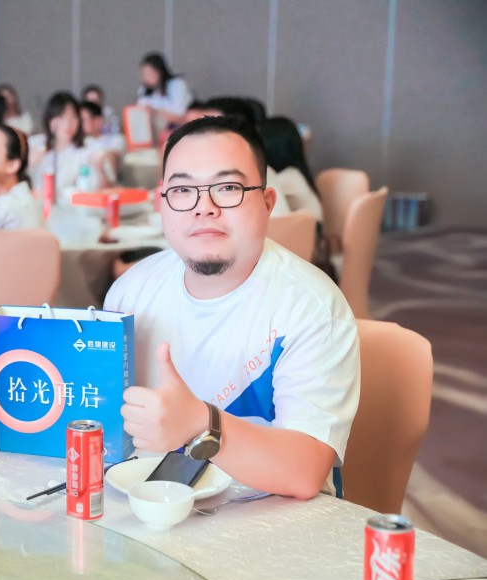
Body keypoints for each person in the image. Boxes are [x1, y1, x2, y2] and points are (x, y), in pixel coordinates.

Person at [103, 116, 359, 500]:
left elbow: (305, 472)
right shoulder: (130, 294)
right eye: (183, 190)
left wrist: (200, 422)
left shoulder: (311, 307)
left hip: (274, 517)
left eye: (227, 188)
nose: (203, 207)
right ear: (162, 203)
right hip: (153, 507)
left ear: (267, 203)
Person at [31, 92, 114, 196]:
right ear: (50, 119)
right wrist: (29, 163)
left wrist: (100, 168)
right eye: (61, 117)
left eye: (73, 117)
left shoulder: (88, 148)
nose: (67, 124)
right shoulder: (35, 144)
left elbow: (107, 186)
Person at [260, 116, 323, 221]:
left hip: (308, 230)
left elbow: (275, 219)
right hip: (310, 228)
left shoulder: (286, 178)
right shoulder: (295, 173)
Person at [137, 53, 192, 128]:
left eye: (149, 73)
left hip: (178, 125)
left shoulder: (176, 84)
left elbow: (180, 115)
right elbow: (140, 109)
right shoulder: (144, 89)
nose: (145, 78)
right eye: (144, 74)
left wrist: (156, 112)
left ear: (159, 72)